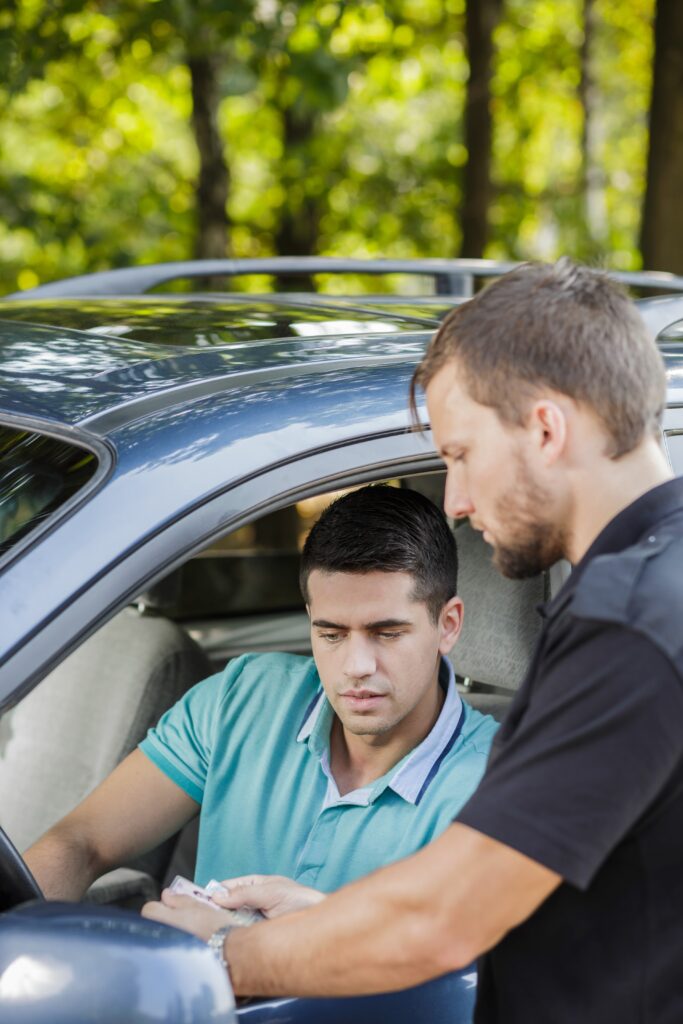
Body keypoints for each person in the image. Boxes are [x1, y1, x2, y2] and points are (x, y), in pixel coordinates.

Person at [144, 259, 683, 1024]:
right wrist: (321, 918)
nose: (456, 503)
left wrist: (216, 961)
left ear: (544, 427)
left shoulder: (627, 622)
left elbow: (440, 918)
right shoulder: (658, 586)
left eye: (460, 455)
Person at [25, 484, 497, 909]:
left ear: (447, 626)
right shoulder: (242, 696)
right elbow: (81, 841)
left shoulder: (500, 780)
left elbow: (443, 982)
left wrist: (239, 948)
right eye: (330, 634)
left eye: (387, 633)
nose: (356, 666)